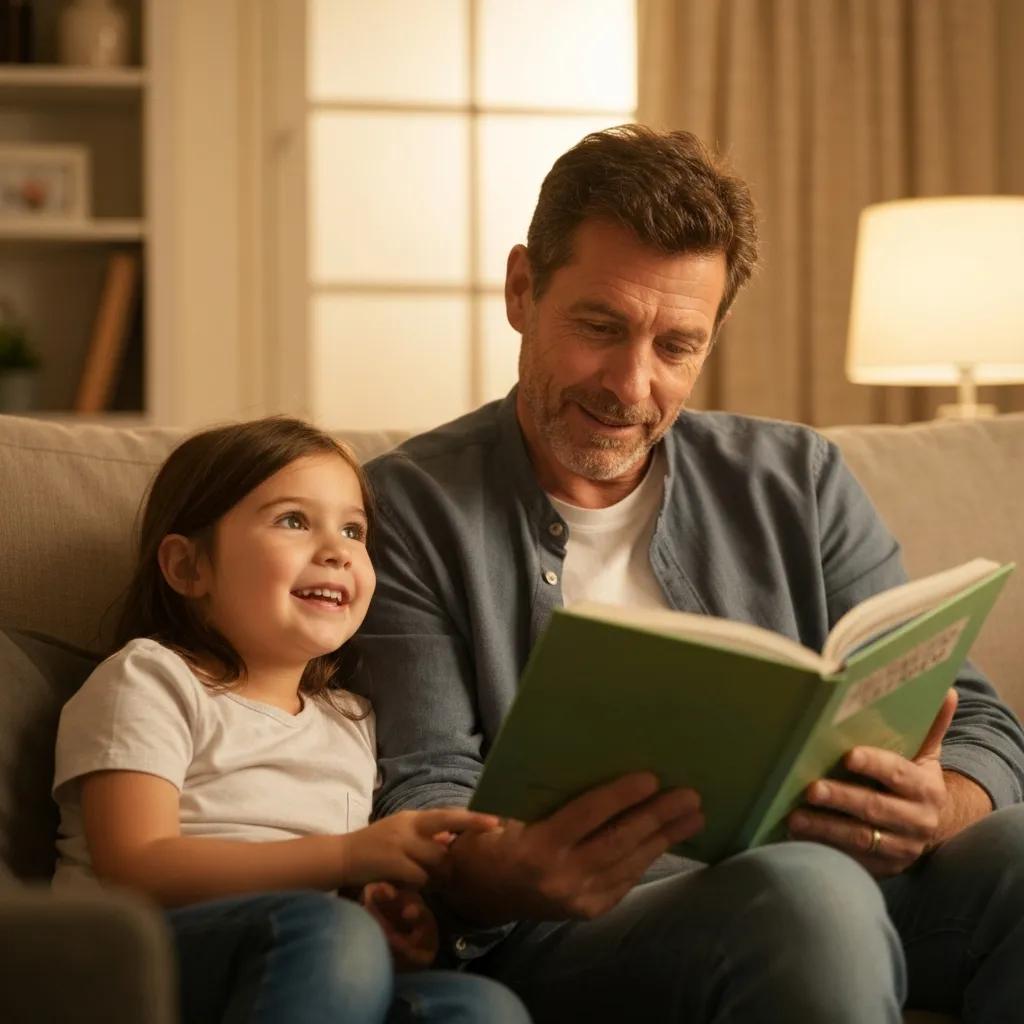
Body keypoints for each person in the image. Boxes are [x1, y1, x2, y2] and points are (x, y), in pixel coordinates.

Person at [351, 125, 1024, 1022]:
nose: (631, 386)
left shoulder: (797, 477)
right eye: (601, 327)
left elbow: (979, 721)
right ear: (522, 289)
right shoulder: (409, 506)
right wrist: (494, 873)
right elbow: (426, 785)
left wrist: (937, 805)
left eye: (677, 346)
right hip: (574, 932)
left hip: (841, 884)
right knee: (806, 896)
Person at [51, 417, 531, 1024]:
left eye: (354, 530)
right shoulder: (151, 679)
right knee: (329, 933)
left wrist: (379, 917)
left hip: (304, 957)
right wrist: (347, 861)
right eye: (294, 521)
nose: (336, 549)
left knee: (476, 1004)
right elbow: (136, 865)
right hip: (132, 961)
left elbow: (332, 894)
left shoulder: (350, 718)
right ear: (187, 569)